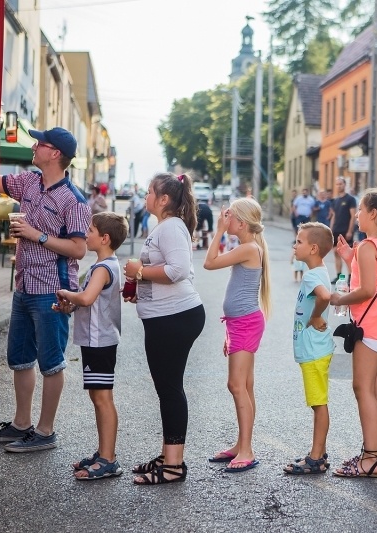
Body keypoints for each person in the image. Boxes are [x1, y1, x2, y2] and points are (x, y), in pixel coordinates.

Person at [0, 126, 91, 453]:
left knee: (51, 362)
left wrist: (35, 234)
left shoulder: (73, 199)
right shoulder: (29, 181)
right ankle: (21, 423)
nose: (33, 146)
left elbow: (79, 250)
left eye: (39, 143)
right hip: (25, 286)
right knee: (20, 358)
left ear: (55, 153)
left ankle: (45, 432)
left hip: (54, 292)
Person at [124, 173, 206, 485]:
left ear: (164, 200)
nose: (144, 197)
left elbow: (177, 270)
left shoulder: (171, 227)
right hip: (166, 316)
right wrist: (139, 285)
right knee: (167, 389)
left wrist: (140, 271)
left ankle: (173, 466)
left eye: (148, 192)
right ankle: (168, 455)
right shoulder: (166, 226)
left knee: (170, 389)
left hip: (174, 318)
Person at [329, 189, 377, 478]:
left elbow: (366, 290)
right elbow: (375, 280)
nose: (357, 215)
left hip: (371, 324)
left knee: (363, 389)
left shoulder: (366, 246)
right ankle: (374, 454)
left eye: (360, 210)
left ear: (373, 214)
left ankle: (371, 459)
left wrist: (337, 298)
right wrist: (351, 257)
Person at [54, 212, 129, 480]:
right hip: (96, 341)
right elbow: (89, 301)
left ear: (104, 238)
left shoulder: (102, 268)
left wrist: (67, 294)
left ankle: (109, 459)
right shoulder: (108, 265)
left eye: (91, 229)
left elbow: (87, 298)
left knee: (102, 398)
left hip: (100, 342)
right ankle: (103, 452)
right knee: (98, 397)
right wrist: (69, 306)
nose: (86, 232)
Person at [204, 197, 271, 473]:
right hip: (239, 324)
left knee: (236, 385)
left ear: (241, 223)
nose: (225, 218)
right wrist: (228, 333)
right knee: (245, 385)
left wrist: (217, 230)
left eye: (229, 216)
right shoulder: (248, 247)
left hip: (245, 323)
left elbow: (210, 263)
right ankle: (241, 444)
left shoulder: (248, 248)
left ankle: (246, 450)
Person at [283, 222, 335, 475]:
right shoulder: (319, 270)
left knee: (318, 403)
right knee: (318, 402)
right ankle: (320, 453)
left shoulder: (314, 275)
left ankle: (315, 458)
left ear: (313, 248)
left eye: (299, 242)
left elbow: (324, 297)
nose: (295, 246)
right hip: (316, 349)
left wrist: (315, 317)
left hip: (314, 350)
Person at [328, 177, 357, 282]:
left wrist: (350, 231)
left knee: (347, 255)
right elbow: (334, 216)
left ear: (345, 185)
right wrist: (330, 230)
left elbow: (353, 216)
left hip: (345, 231)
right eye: (337, 184)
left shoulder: (350, 199)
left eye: (341, 184)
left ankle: (350, 277)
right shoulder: (335, 200)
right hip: (336, 230)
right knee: (336, 253)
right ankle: (339, 276)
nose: (339, 186)